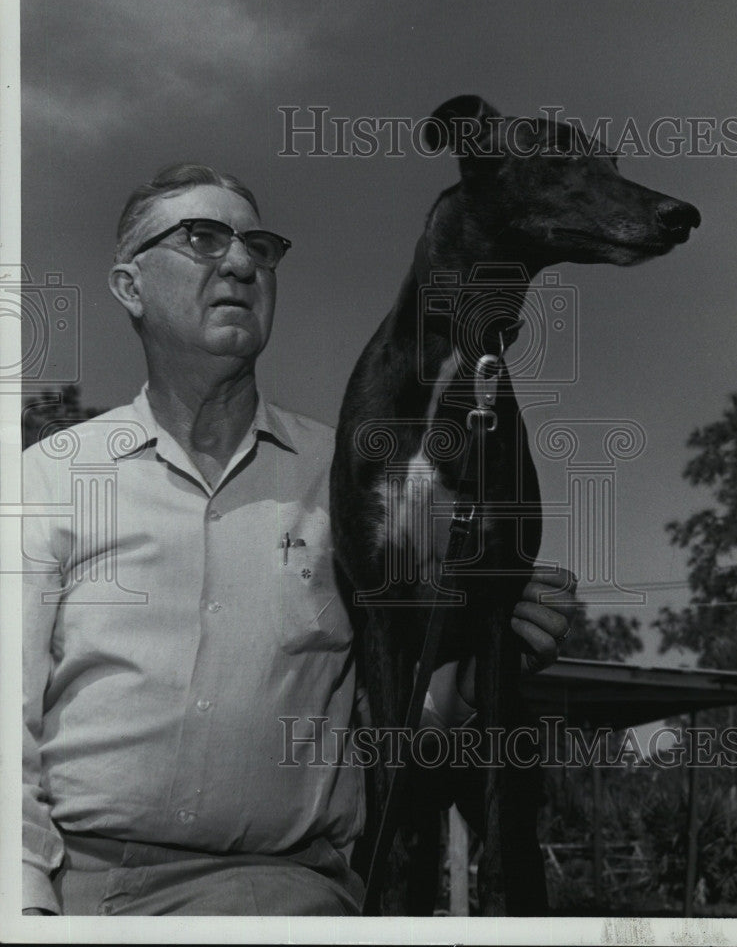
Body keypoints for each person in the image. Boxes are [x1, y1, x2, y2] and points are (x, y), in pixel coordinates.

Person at [22, 164, 577, 916]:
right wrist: (24, 907)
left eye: (260, 245)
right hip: (72, 886)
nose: (243, 262)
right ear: (129, 287)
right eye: (202, 238)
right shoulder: (48, 479)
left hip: (280, 893)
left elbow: (401, 720)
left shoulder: (354, 474)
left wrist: (480, 675)